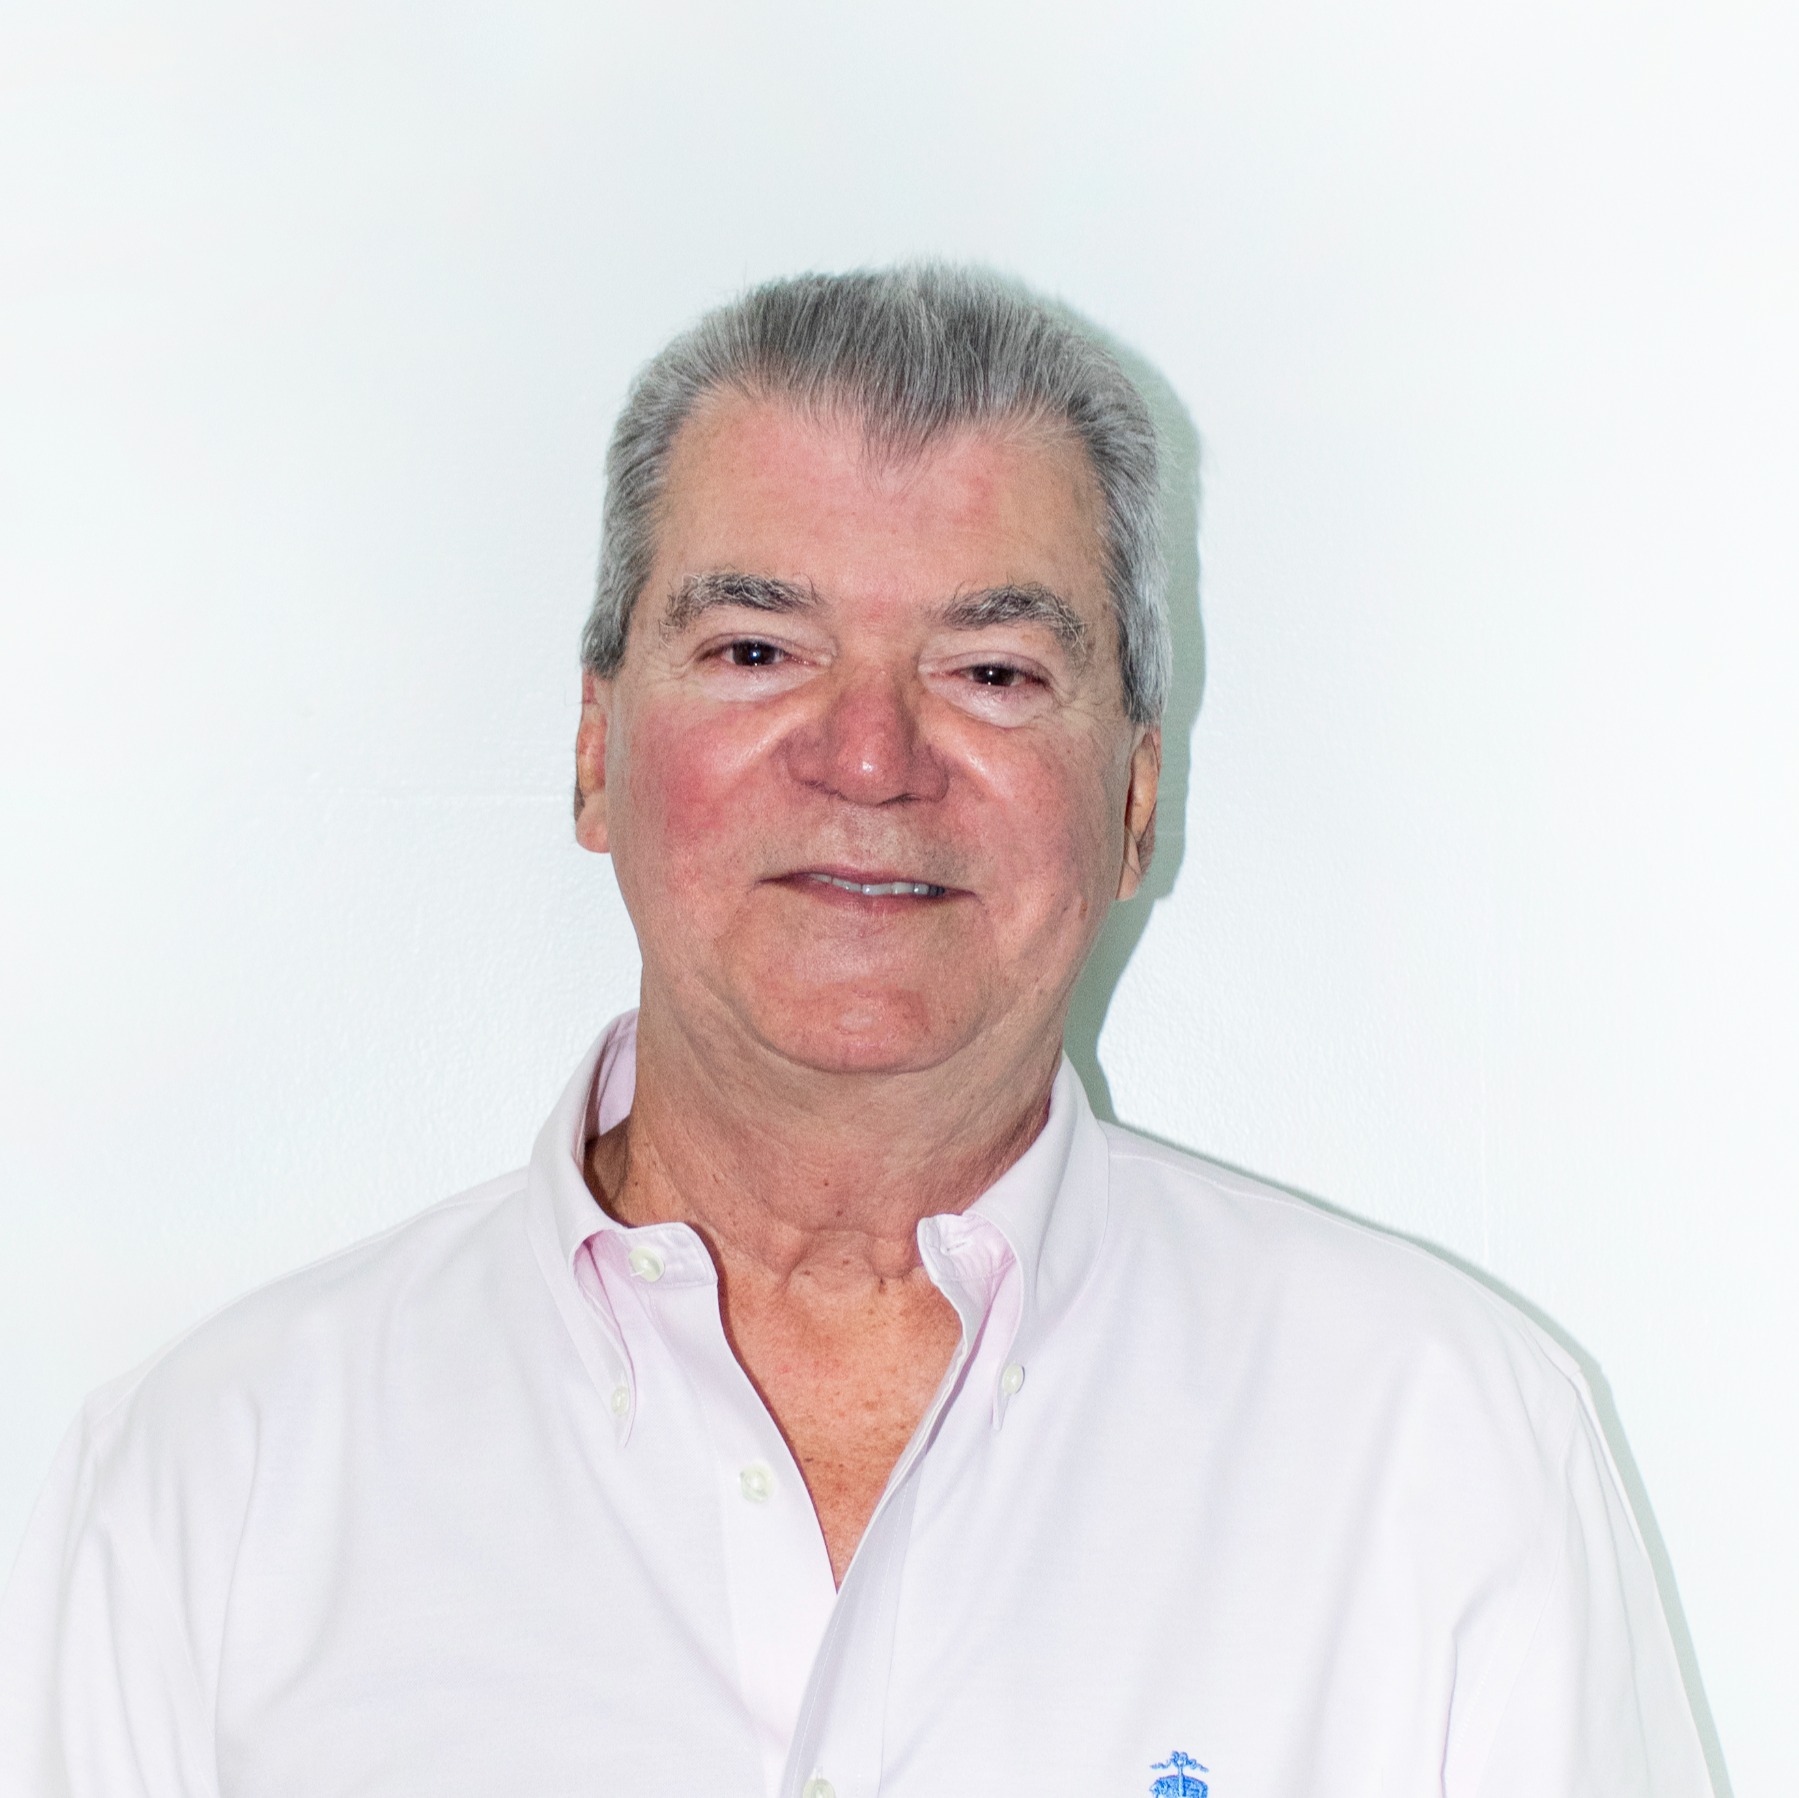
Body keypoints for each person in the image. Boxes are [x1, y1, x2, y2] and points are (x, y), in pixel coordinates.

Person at [0, 267, 1709, 1797]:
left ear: (1134, 796)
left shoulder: (1444, 1455)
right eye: (758, 648)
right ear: (594, 751)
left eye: (992, 671)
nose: (871, 758)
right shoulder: (210, 1493)